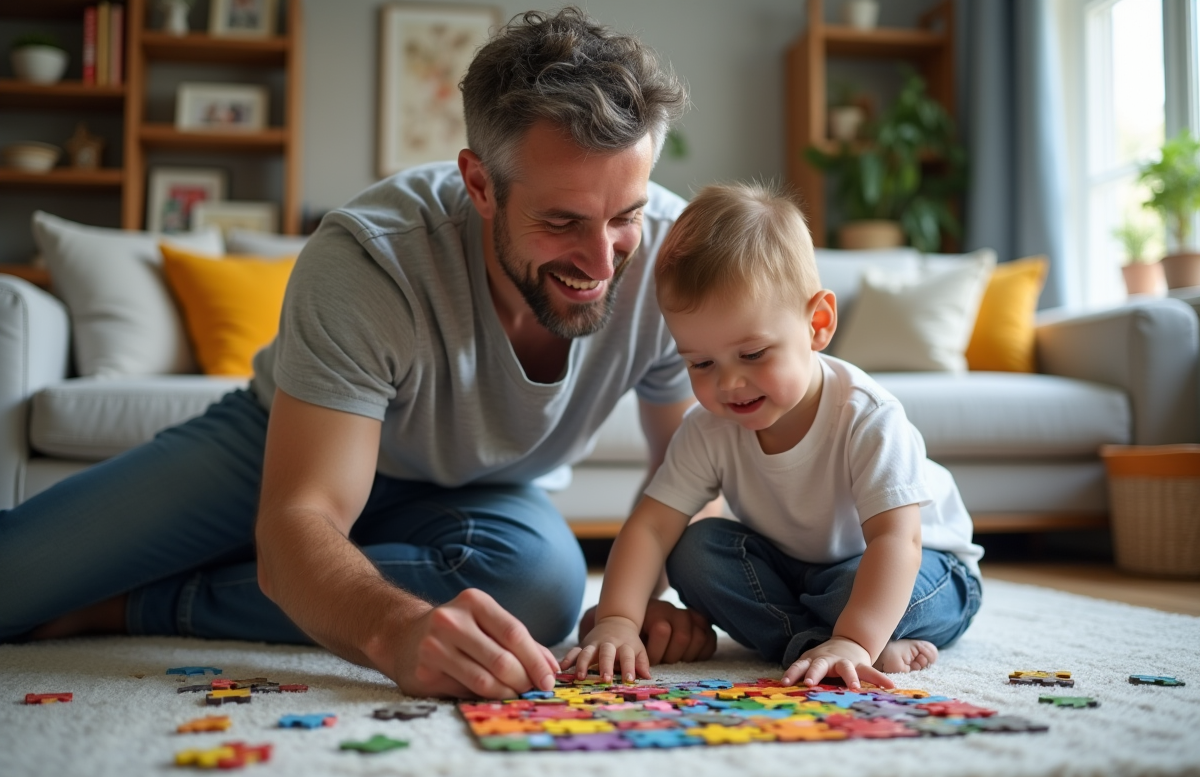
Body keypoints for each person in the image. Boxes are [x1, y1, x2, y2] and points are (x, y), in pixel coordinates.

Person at [0, 8, 717, 699]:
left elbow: (693, 467)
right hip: (282, 445)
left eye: (625, 215)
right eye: (562, 221)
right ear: (479, 185)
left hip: (480, 494)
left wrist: (633, 603)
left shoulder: (670, 259)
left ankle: (136, 606)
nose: (602, 260)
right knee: (15, 582)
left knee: (543, 589)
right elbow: (301, 517)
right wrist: (394, 630)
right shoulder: (371, 258)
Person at [563, 183, 984, 690]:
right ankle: (827, 644)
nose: (728, 383)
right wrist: (618, 622)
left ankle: (848, 644)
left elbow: (899, 540)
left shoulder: (866, 415)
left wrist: (855, 636)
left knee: (858, 588)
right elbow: (651, 528)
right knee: (694, 552)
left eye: (753, 354)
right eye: (700, 363)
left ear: (817, 324)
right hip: (797, 574)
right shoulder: (708, 427)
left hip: (922, 567)